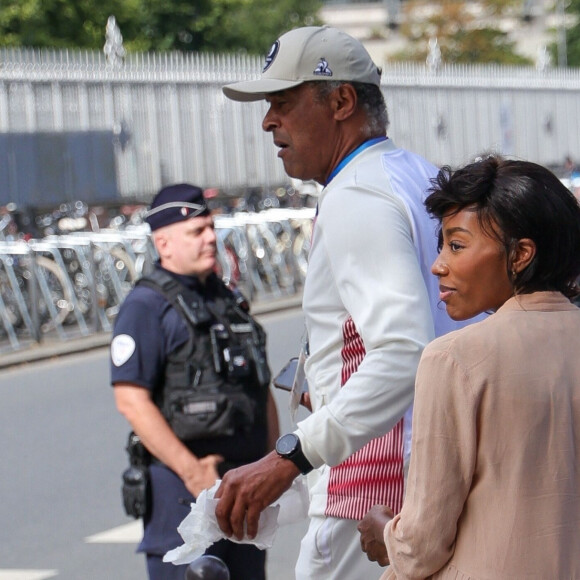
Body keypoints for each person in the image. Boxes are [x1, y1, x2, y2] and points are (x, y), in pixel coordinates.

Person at [215, 25, 473, 579]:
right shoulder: (416, 173)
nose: (268, 122)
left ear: (342, 101)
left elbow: (405, 350)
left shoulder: (356, 191)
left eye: (282, 103)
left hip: (376, 486)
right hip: (435, 467)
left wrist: (288, 456)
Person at [358, 155, 580, 579]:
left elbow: (421, 545)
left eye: (456, 245)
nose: (438, 264)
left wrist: (385, 534)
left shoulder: (453, 359)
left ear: (520, 255)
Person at [110, 183, 279, 580]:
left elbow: (259, 385)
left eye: (210, 228)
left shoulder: (226, 298)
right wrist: (191, 471)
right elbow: (131, 400)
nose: (209, 239)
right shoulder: (146, 307)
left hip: (242, 497)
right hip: (185, 501)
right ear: (163, 243)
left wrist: (272, 464)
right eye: (196, 232)